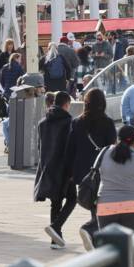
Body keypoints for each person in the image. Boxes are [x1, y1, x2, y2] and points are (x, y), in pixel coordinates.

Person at [64, 88, 117, 250]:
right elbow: (111, 148)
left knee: (94, 201)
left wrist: (69, 172)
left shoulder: (77, 122)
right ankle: (91, 228)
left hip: (82, 171)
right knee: (101, 202)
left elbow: (70, 148)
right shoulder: (108, 123)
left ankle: (95, 235)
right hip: (102, 168)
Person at [97, 124, 134, 238]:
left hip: (106, 204)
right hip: (132, 206)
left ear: (117, 138)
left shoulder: (104, 152)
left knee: (106, 248)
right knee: (130, 248)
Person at [34, 91, 75, 249]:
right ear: (66, 104)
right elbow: (70, 147)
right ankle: (56, 227)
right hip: (64, 167)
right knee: (72, 198)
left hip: (48, 167)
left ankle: (55, 239)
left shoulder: (43, 122)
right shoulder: (69, 121)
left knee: (55, 203)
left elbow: (40, 147)